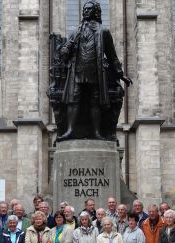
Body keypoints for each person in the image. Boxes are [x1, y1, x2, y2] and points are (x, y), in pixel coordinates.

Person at [57, 0, 131, 141]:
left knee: (95, 101)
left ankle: (97, 132)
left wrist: (121, 75)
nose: (85, 11)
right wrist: (66, 49)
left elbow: (112, 56)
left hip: (96, 73)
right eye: (84, 9)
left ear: (95, 12)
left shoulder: (103, 31)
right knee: (74, 99)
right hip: (77, 72)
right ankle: (70, 130)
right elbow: (64, 53)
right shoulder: (76, 31)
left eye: (88, 9)